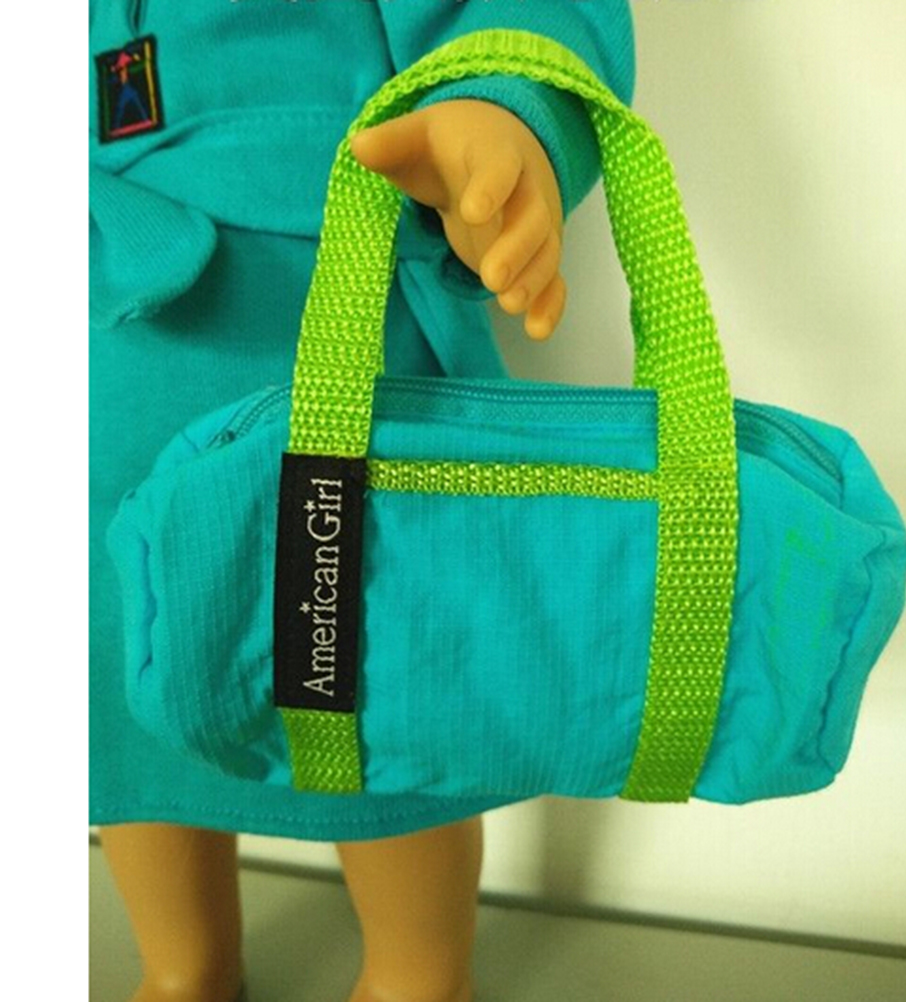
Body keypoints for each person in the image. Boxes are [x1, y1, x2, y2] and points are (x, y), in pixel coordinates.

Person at [90, 3, 635, 1000]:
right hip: (102, 326)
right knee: (122, 670)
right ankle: (183, 966)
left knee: (378, 673)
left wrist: (498, 112)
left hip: (336, 298)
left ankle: (417, 976)